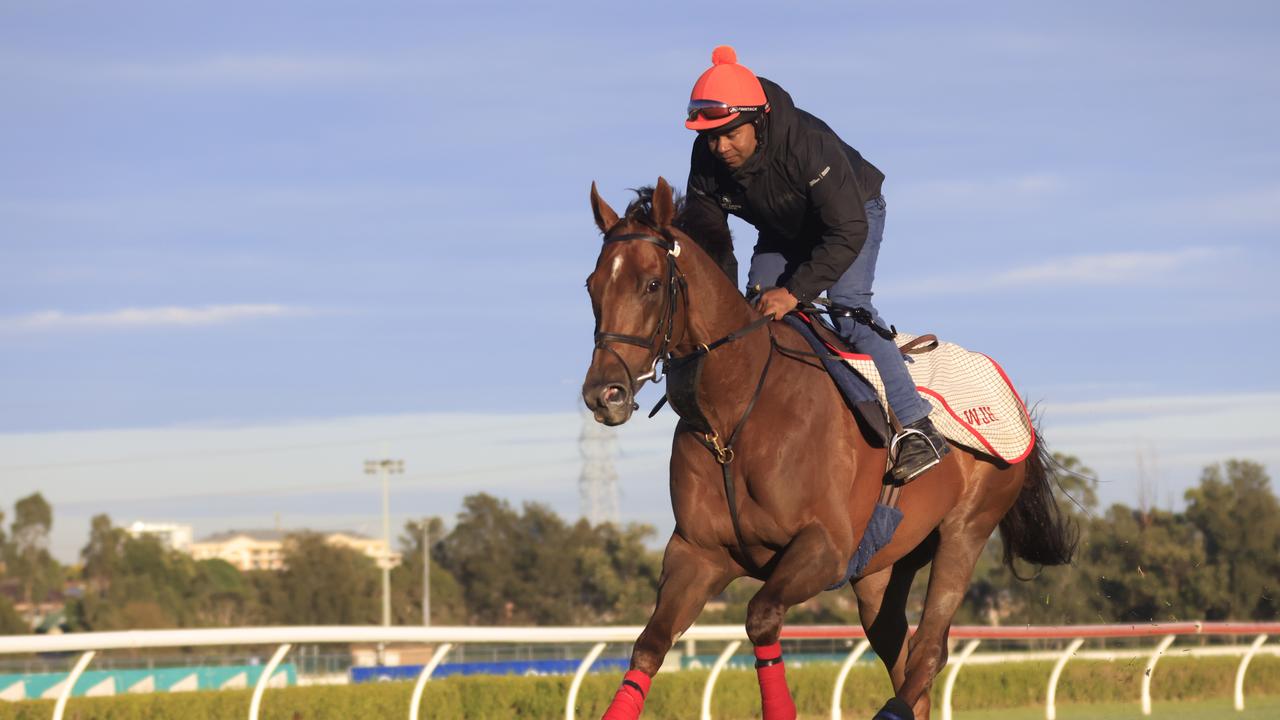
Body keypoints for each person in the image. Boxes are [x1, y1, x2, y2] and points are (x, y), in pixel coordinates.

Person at [681, 45, 948, 484]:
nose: (720, 146)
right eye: (711, 136)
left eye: (730, 134)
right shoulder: (706, 157)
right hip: (783, 225)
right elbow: (713, 243)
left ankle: (918, 427)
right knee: (752, 313)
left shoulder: (807, 144)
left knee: (848, 311)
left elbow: (845, 231)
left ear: (758, 120)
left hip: (851, 216)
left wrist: (794, 291)